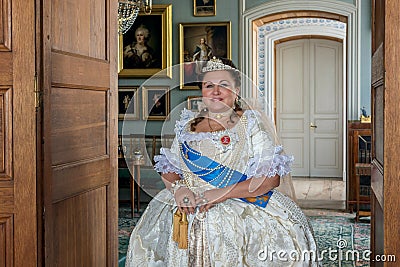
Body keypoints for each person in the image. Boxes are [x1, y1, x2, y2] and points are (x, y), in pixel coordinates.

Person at [125, 58, 319, 266]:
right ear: (202, 91)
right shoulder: (187, 124)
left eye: (224, 85)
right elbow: (169, 168)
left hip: (242, 205)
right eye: (209, 86)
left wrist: (219, 194)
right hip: (188, 203)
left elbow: (270, 180)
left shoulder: (251, 124)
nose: (215, 92)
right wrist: (180, 190)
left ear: (236, 90)